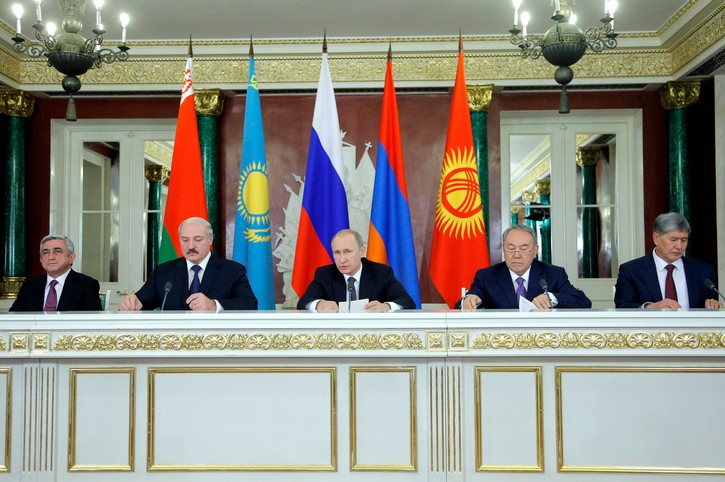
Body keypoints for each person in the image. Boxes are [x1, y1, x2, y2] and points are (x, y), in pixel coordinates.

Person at [120, 217, 257, 311]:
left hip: (215, 340)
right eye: (185, 240)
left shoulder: (232, 270)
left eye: (197, 239)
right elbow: (142, 301)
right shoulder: (164, 272)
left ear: (210, 240)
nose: (191, 246)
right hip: (173, 340)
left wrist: (213, 305)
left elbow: (250, 304)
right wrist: (133, 304)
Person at [457, 224, 591, 310]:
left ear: (535, 250)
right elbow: (460, 305)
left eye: (524, 249)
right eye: (511, 248)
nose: (516, 255)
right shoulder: (487, 276)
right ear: (503, 249)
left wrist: (551, 298)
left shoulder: (553, 274)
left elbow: (583, 302)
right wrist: (468, 300)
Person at [614, 212, 722, 309]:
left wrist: (712, 305)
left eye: (684, 240)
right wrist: (650, 307)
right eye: (673, 239)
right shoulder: (631, 271)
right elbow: (622, 306)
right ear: (656, 238)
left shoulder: (704, 271)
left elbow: (711, 308)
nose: (679, 246)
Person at [297, 229, 415, 312]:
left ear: (361, 251)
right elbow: (303, 303)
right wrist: (319, 304)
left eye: (347, 252)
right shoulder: (325, 274)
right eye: (337, 253)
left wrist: (385, 307)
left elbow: (407, 302)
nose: (342, 259)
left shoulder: (381, 272)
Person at [10, 235, 102, 312]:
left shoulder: (87, 285)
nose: (51, 257)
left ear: (71, 257)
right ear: (41, 259)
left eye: (57, 251)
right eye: (45, 252)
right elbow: (13, 318)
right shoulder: (29, 286)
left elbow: (93, 322)